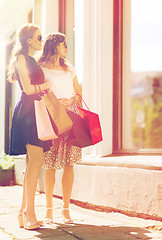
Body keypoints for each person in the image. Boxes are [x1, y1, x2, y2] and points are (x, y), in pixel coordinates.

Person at [8, 24, 50, 230]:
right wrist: (46, 86)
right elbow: (28, 88)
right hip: (27, 113)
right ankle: (28, 212)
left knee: (32, 163)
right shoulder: (22, 59)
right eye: (39, 37)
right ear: (28, 40)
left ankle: (23, 212)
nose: (41, 41)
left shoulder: (33, 60)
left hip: (35, 111)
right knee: (36, 160)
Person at [38, 33, 82, 224]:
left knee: (69, 164)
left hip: (71, 118)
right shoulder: (41, 69)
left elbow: (80, 94)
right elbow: (39, 95)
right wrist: (56, 103)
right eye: (64, 44)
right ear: (55, 45)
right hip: (52, 118)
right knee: (50, 165)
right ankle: (49, 211)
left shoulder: (69, 68)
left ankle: (65, 209)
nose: (67, 47)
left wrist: (71, 100)